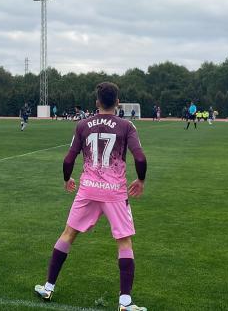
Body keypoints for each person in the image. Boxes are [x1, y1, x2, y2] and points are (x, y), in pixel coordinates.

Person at [34, 82, 148, 311]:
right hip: (114, 192)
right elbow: (140, 158)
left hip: (88, 189)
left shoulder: (83, 124)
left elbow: (68, 160)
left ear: (97, 102)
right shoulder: (127, 126)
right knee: (124, 241)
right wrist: (141, 180)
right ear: (118, 102)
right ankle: (125, 301)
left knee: (68, 234)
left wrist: (67, 179)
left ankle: (48, 287)